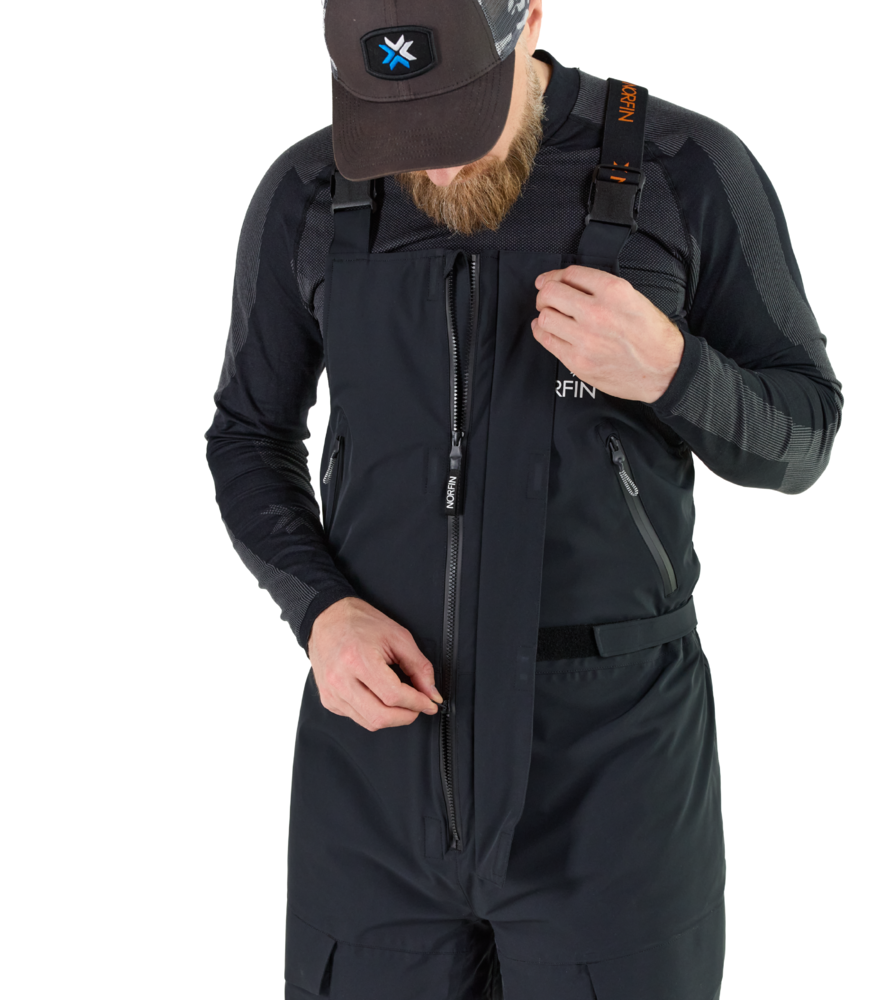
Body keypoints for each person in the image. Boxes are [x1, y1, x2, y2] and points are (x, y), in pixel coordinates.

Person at [206, 1, 843, 997]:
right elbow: (247, 436)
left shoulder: (684, 170)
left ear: (529, 20)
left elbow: (805, 434)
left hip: (612, 785)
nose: (435, 168)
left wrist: (675, 372)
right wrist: (320, 611)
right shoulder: (308, 192)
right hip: (372, 773)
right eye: (396, 127)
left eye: (455, 118)